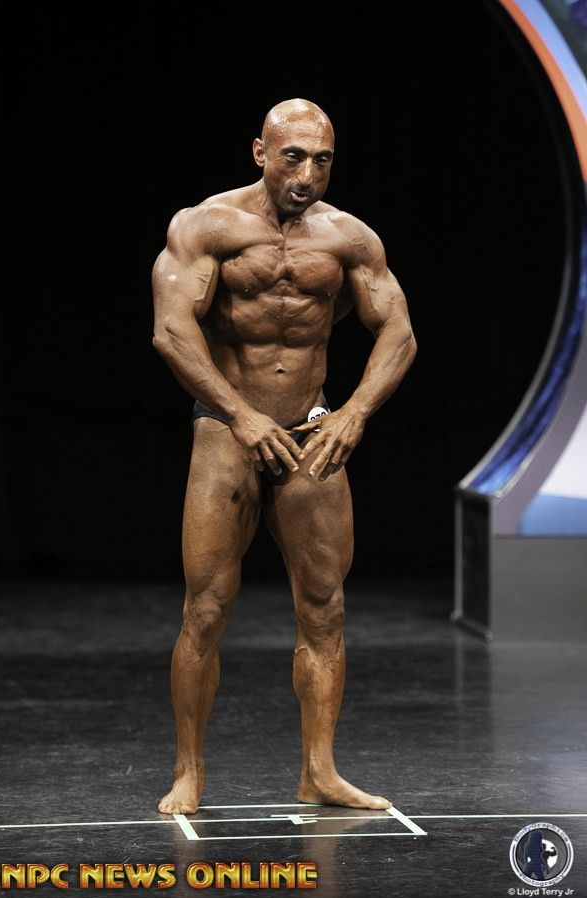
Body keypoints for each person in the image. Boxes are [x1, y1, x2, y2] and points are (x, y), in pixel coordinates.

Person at [152, 98, 417, 815]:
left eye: (322, 160)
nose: (307, 174)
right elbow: (172, 332)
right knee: (206, 607)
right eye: (293, 157)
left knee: (326, 608)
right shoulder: (205, 227)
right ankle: (188, 770)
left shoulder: (349, 239)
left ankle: (319, 772)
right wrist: (240, 415)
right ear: (260, 152)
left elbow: (399, 333)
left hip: (309, 431)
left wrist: (355, 413)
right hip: (226, 431)